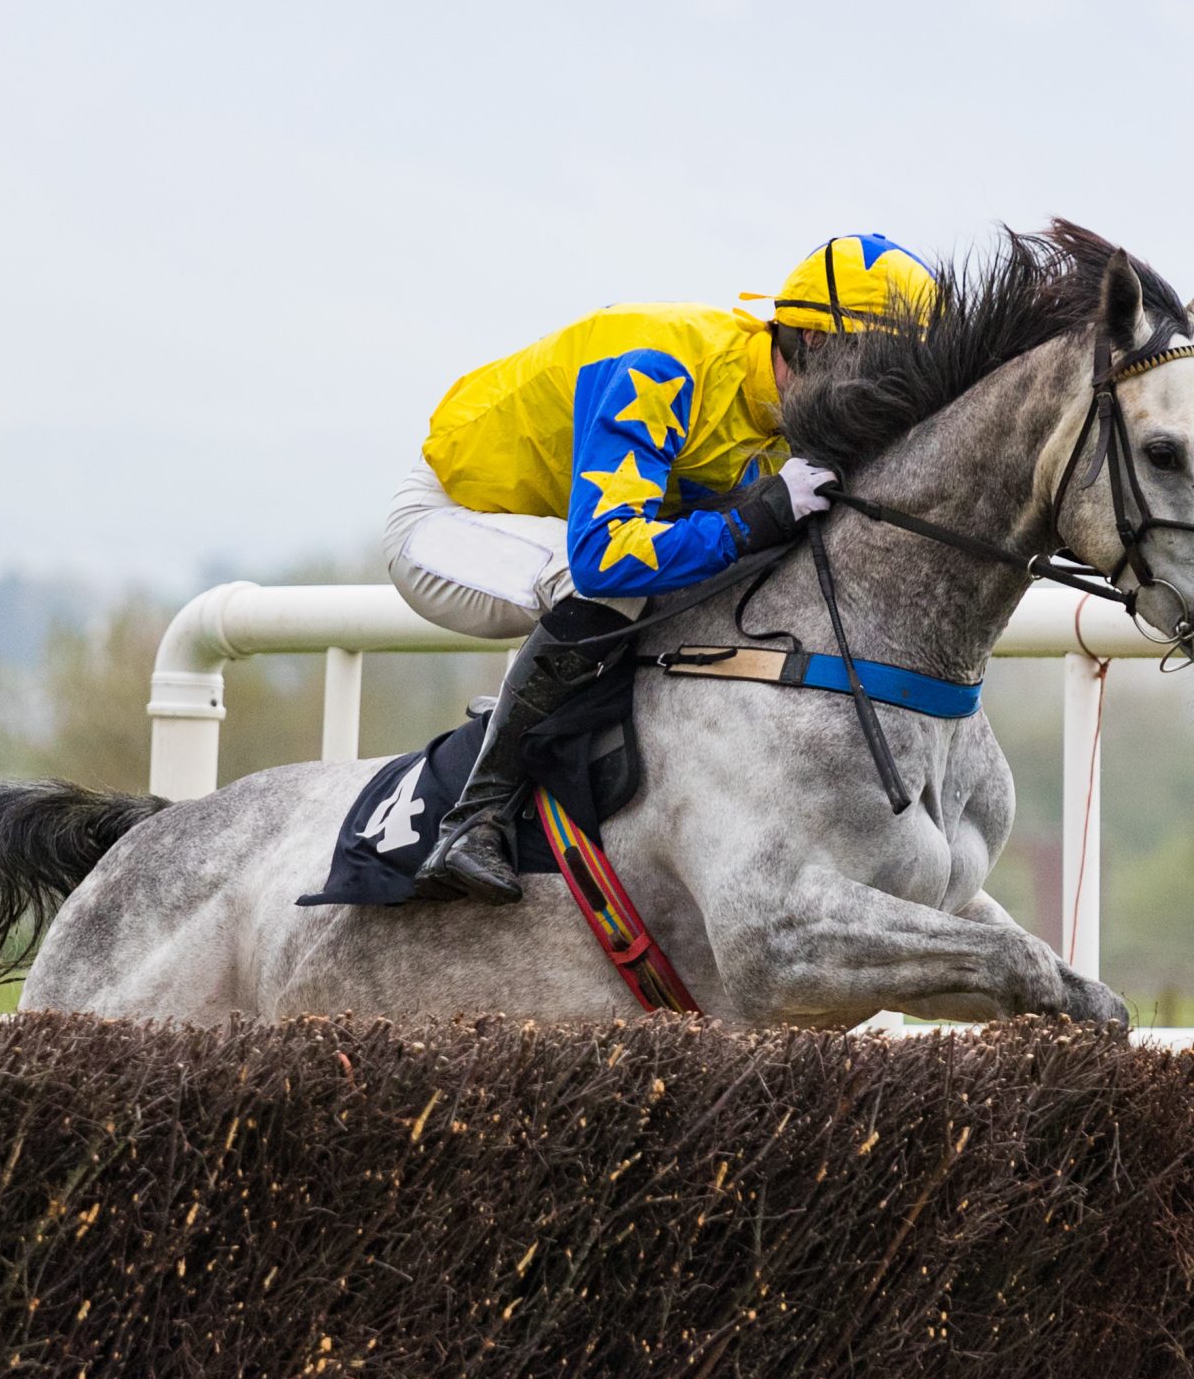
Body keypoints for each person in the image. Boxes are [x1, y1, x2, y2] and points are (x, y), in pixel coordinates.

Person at [382, 233, 938, 904]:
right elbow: (607, 556)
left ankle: (546, 717)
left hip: (552, 522)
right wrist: (754, 518)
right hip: (447, 523)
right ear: (816, 343)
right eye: (881, 373)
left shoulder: (785, 411)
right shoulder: (660, 364)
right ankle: (475, 816)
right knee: (599, 581)